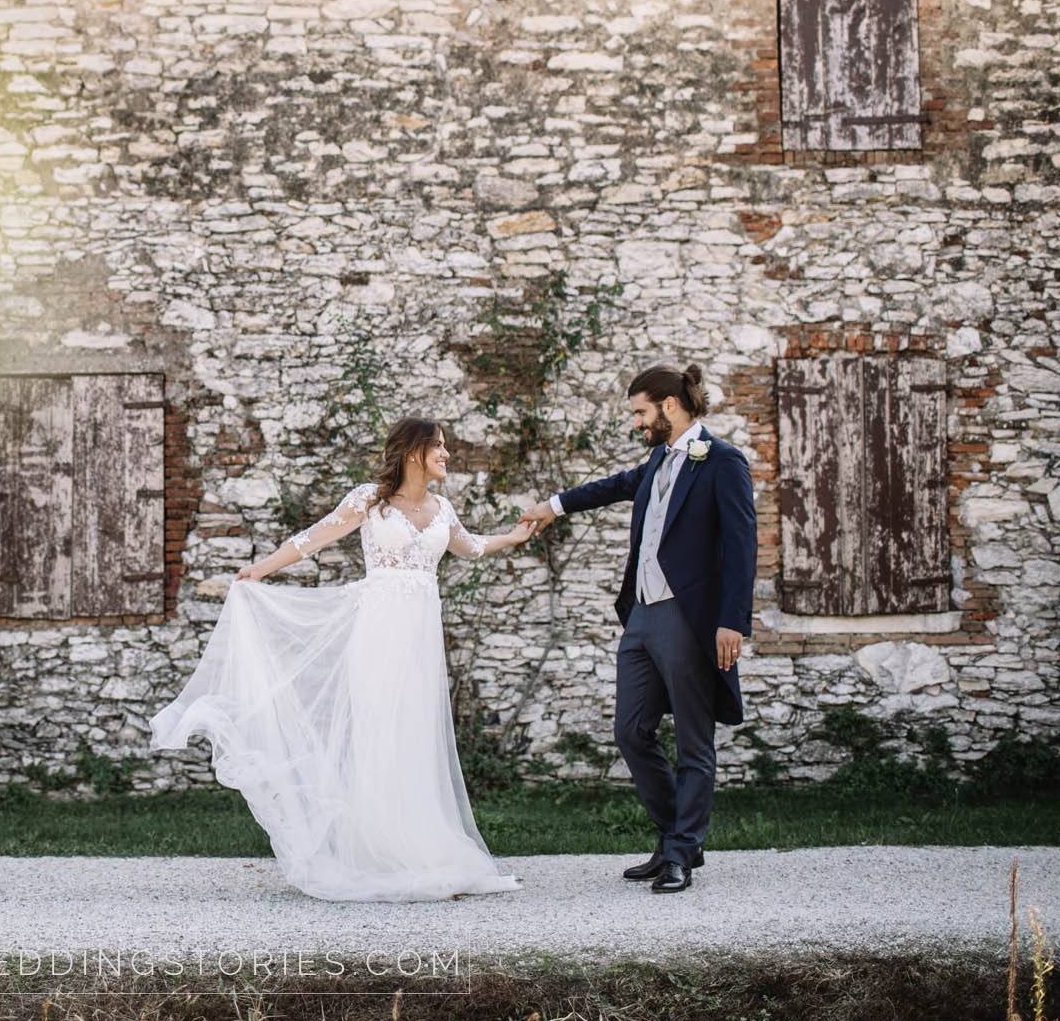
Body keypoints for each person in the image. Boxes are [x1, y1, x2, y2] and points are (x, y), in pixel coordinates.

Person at [149, 417, 539, 902]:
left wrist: (515, 538)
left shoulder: (442, 509)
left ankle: (419, 846)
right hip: (376, 635)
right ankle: (373, 849)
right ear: (415, 452)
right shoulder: (369, 500)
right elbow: (312, 539)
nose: (447, 454)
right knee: (378, 732)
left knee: (415, 735)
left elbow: (473, 547)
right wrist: (261, 568)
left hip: (420, 643)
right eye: (439, 447)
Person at [520, 363, 756, 895]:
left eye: (640, 413)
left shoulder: (723, 462)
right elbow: (615, 487)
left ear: (670, 406)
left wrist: (732, 622)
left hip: (688, 618)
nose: (636, 423)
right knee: (630, 731)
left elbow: (743, 548)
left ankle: (677, 854)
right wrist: (553, 506)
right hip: (643, 615)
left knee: (695, 741)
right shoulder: (657, 459)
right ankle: (679, 838)